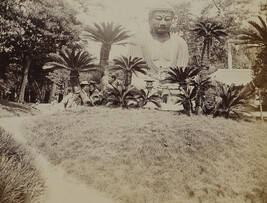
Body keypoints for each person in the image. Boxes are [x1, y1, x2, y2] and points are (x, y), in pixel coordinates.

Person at [128, 4, 189, 88]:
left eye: (167, 19)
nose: (163, 23)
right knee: (137, 84)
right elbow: (138, 73)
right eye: (158, 18)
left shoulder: (180, 43)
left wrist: (168, 80)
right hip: (146, 82)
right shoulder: (138, 41)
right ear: (149, 20)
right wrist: (155, 81)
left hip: (172, 84)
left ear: (172, 21)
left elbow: (181, 72)